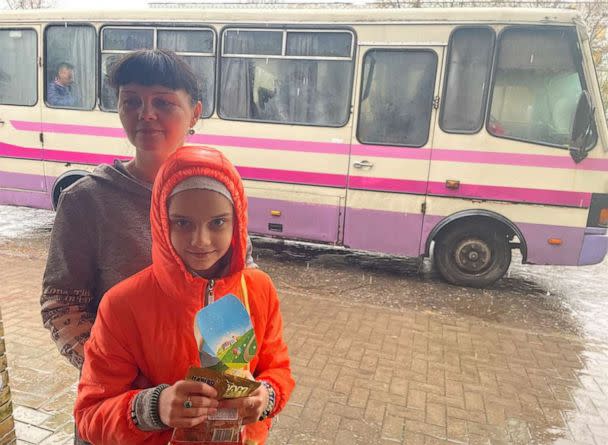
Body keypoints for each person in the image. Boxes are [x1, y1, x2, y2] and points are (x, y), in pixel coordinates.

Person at [40, 49, 255, 443]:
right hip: (120, 414)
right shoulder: (88, 201)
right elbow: (61, 304)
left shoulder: (217, 190)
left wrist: (234, 379)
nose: (146, 113)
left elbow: (238, 288)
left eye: (163, 102)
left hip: (204, 416)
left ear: (195, 113)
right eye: (132, 101)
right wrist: (128, 378)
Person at [74, 145, 294, 445]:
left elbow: (277, 369)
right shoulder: (122, 306)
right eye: (183, 223)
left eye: (217, 222)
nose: (200, 241)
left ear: (237, 222)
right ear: (163, 223)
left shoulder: (258, 289)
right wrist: (154, 407)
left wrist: (265, 397)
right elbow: (89, 416)